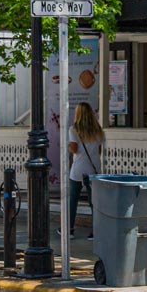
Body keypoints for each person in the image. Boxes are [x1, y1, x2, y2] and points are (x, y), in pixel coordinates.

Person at [65, 101, 104, 238]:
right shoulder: (98, 129)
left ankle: (69, 229)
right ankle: (96, 230)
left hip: (78, 169)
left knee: (73, 199)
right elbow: (99, 151)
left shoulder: (73, 130)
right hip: (94, 168)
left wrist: (69, 146)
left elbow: (74, 149)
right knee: (94, 201)